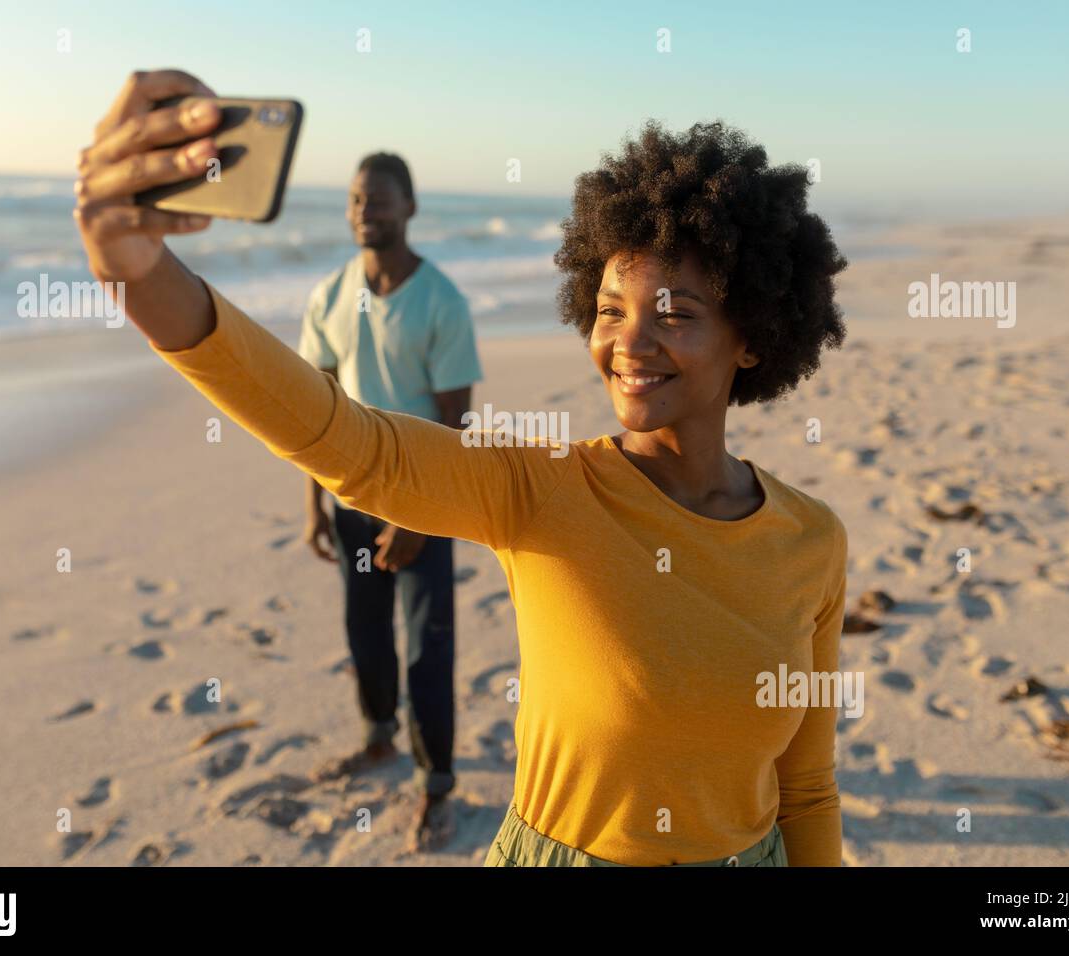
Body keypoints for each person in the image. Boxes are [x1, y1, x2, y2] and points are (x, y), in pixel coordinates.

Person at [74, 69, 850, 866]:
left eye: (675, 315)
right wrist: (136, 270)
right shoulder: (540, 491)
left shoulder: (814, 542)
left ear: (752, 335)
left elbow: (808, 790)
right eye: (610, 310)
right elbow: (347, 439)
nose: (629, 343)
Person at [298, 151, 482, 851]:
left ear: (409, 207)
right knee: (364, 632)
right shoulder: (329, 296)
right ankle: (378, 737)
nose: (363, 212)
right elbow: (310, 415)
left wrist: (416, 517)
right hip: (351, 502)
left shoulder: (442, 301)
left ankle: (437, 787)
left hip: (426, 504)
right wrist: (313, 504)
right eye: (354, 200)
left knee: (428, 647)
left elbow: (456, 427)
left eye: (378, 200)